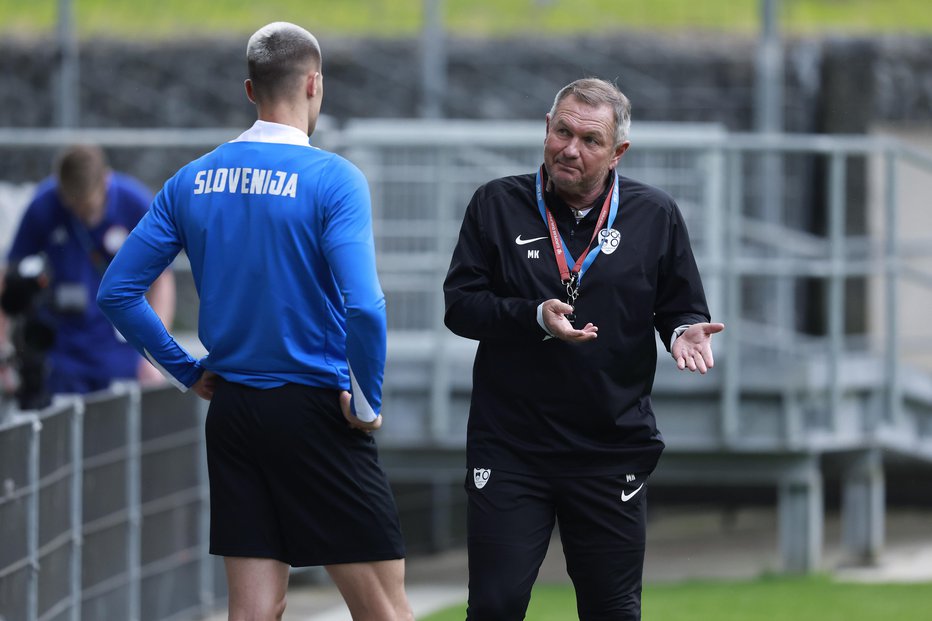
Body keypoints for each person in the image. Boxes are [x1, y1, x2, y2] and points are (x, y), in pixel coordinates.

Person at [97, 21, 412, 621]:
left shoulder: (192, 179)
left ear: (250, 90)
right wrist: (366, 401)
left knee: (254, 610)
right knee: (384, 609)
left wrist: (186, 371)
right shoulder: (333, 179)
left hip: (234, 411)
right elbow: (365, 307)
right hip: (317, 409)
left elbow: (117, 291)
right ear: (315, 83)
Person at [443, 78, 725, 620]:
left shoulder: (655, 214)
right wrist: (533, 317)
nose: (570, 149)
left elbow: (679, 305)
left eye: (590, 141)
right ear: (546, 129)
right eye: (562, 132)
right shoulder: (496, 204)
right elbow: (460, 306)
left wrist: (682, 330)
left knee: (613, 610)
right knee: (495, 606)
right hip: (512, 448)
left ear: (618, 152)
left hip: (610, 448)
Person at [2, 144, 174, 407]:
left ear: (106, 180)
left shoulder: (134, 204)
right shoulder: (45, 205)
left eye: (87, 206)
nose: (81, 213)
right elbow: (9, 278)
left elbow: (162, 279)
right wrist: (3, 349)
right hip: (60, 349)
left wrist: (156, 352)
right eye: (73, 206)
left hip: (118, 348)